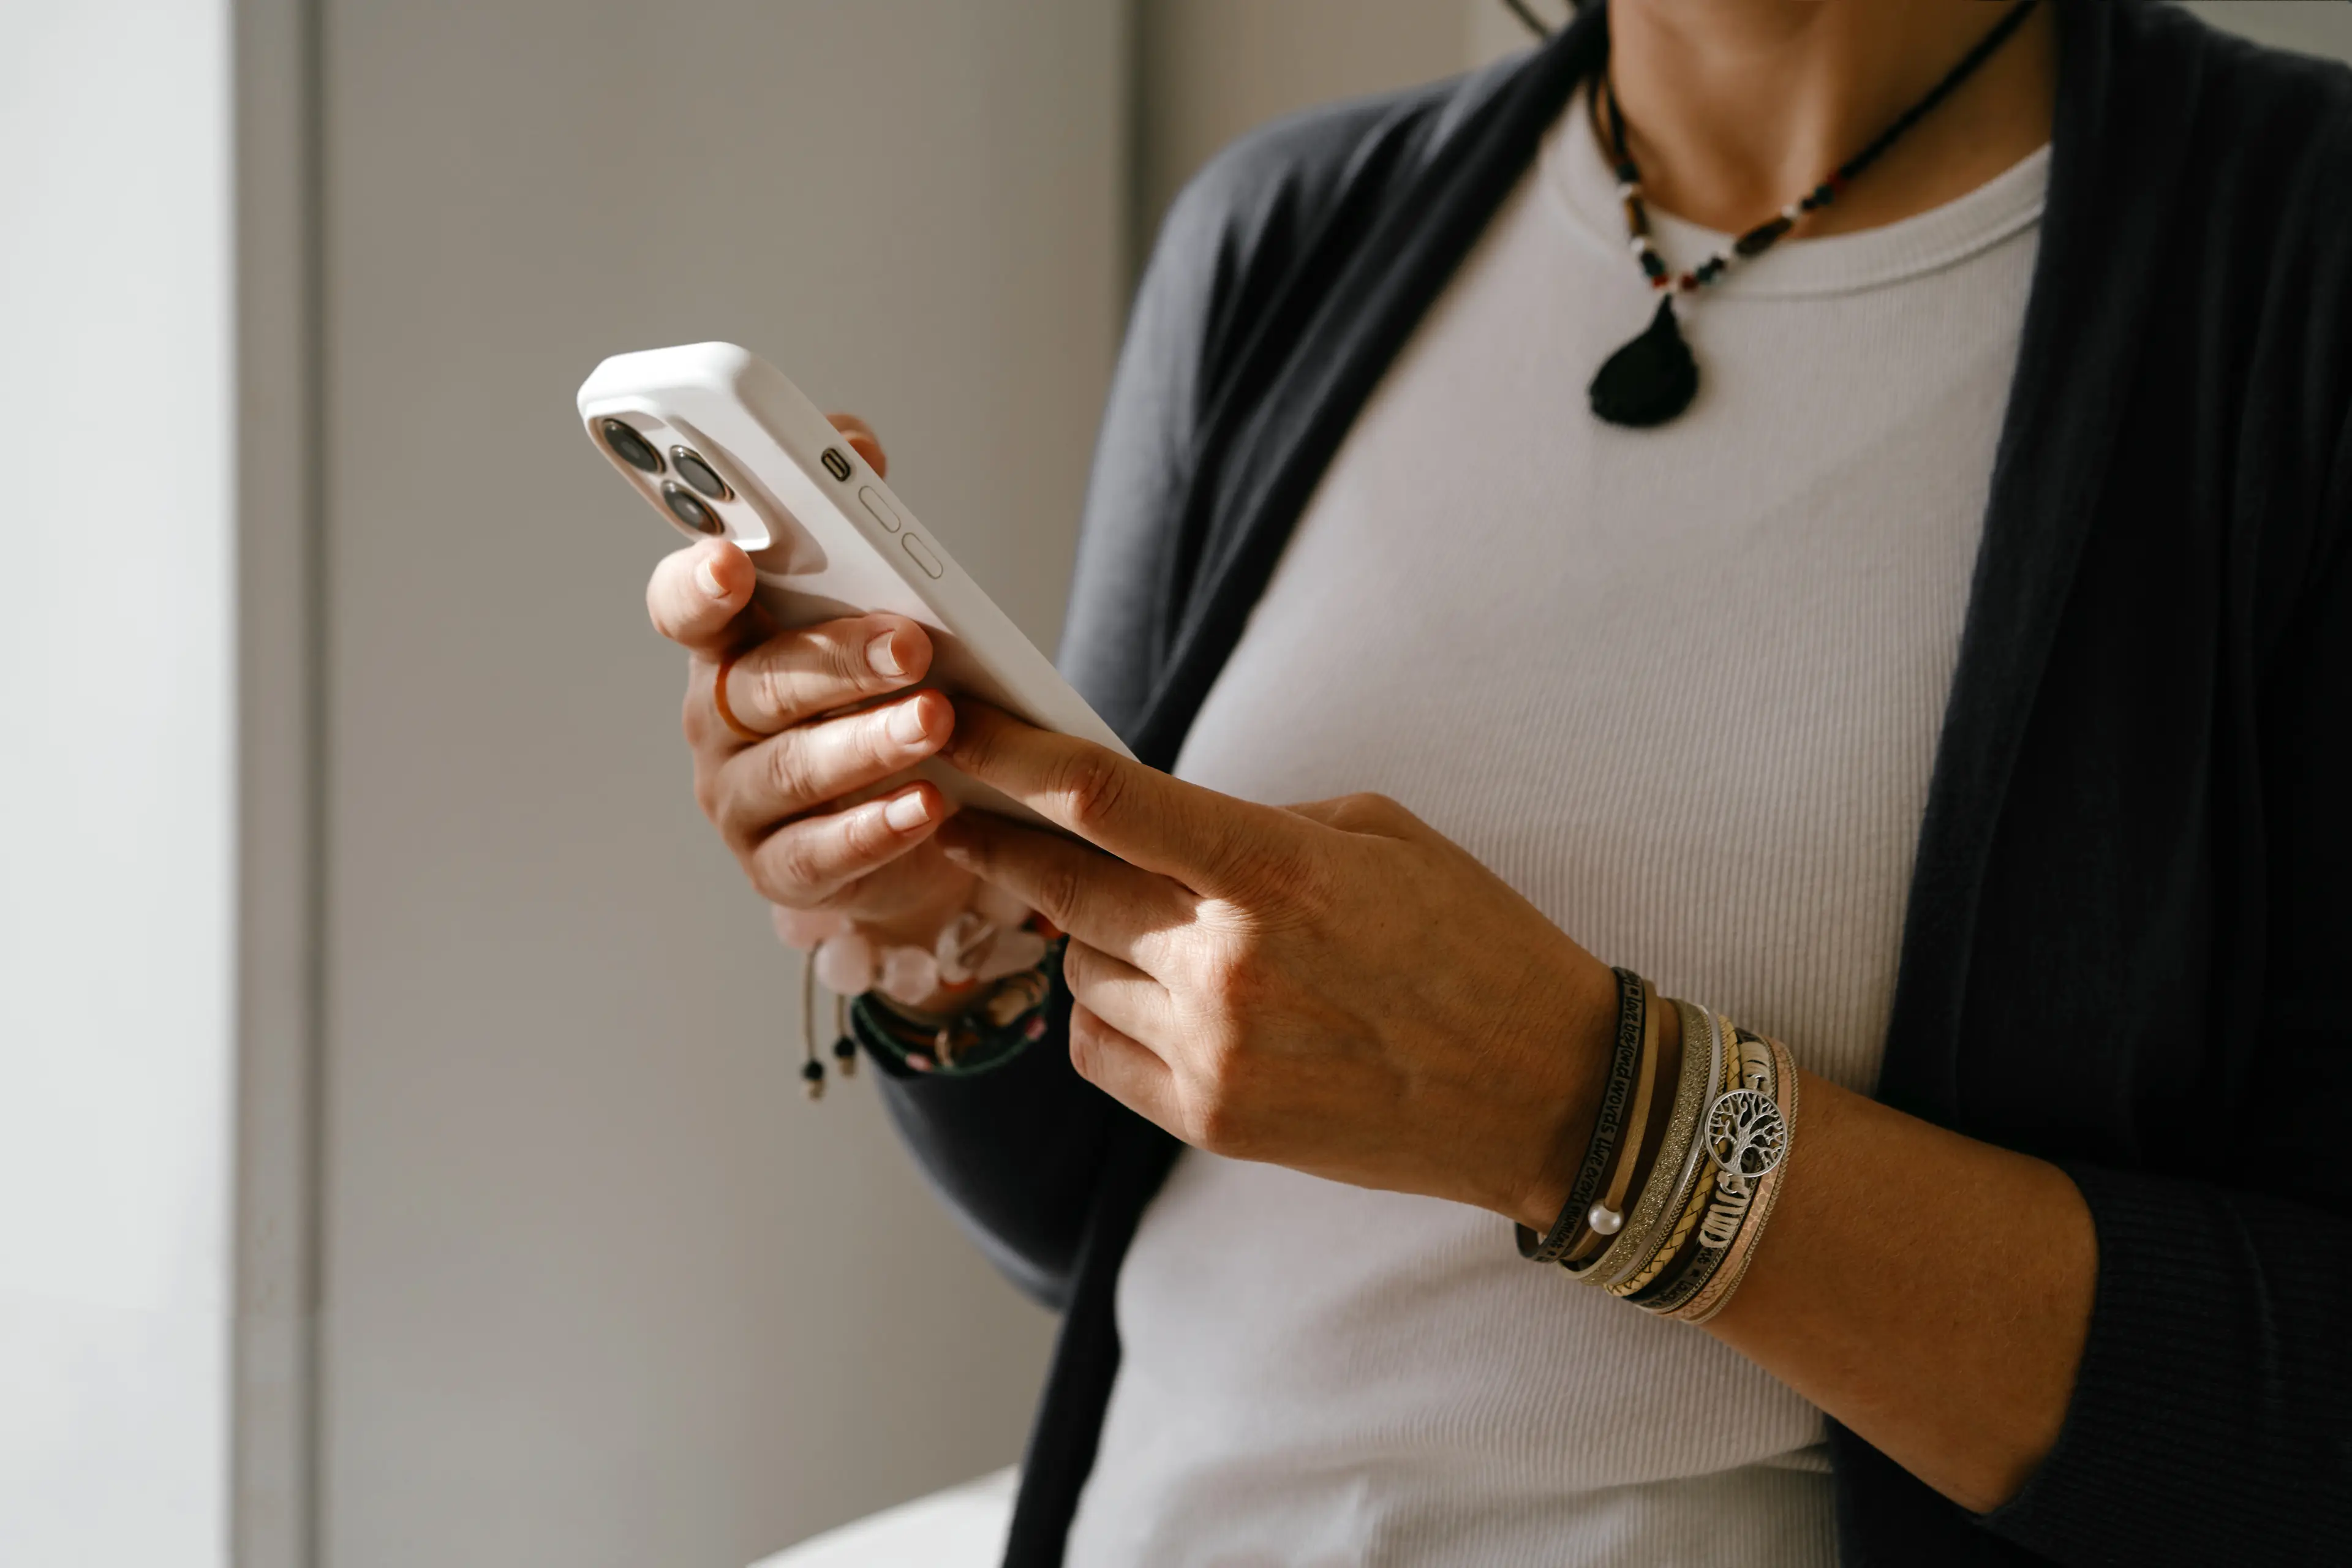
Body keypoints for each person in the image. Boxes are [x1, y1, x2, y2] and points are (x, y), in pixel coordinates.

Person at [649, 1, 2352, 1562]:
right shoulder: (1283, 236)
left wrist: (1590, 1112)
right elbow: (1095, 1228)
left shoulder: (2294, 259)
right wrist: (952, 930)